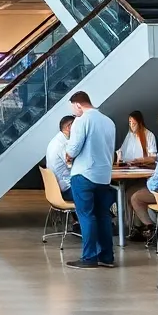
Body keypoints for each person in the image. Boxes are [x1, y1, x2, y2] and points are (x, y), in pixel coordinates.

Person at [63, 91, 117, 269]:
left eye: (73, 108)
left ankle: (89, 257)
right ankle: (107, 257)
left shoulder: (82, 120)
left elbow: (74, 147)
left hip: (84, 175)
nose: (74, 112)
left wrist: (68, 155)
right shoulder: (109, 122)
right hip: (103, 176)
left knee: (86, 216)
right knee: (103, 216)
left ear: (78, 104)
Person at [45, 115, 75, 202]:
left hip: (57, 189)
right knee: (102, 193)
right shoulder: (63, 145)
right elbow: (72, 165)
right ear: (69, 127)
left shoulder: (56, 140)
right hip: (66, 189)